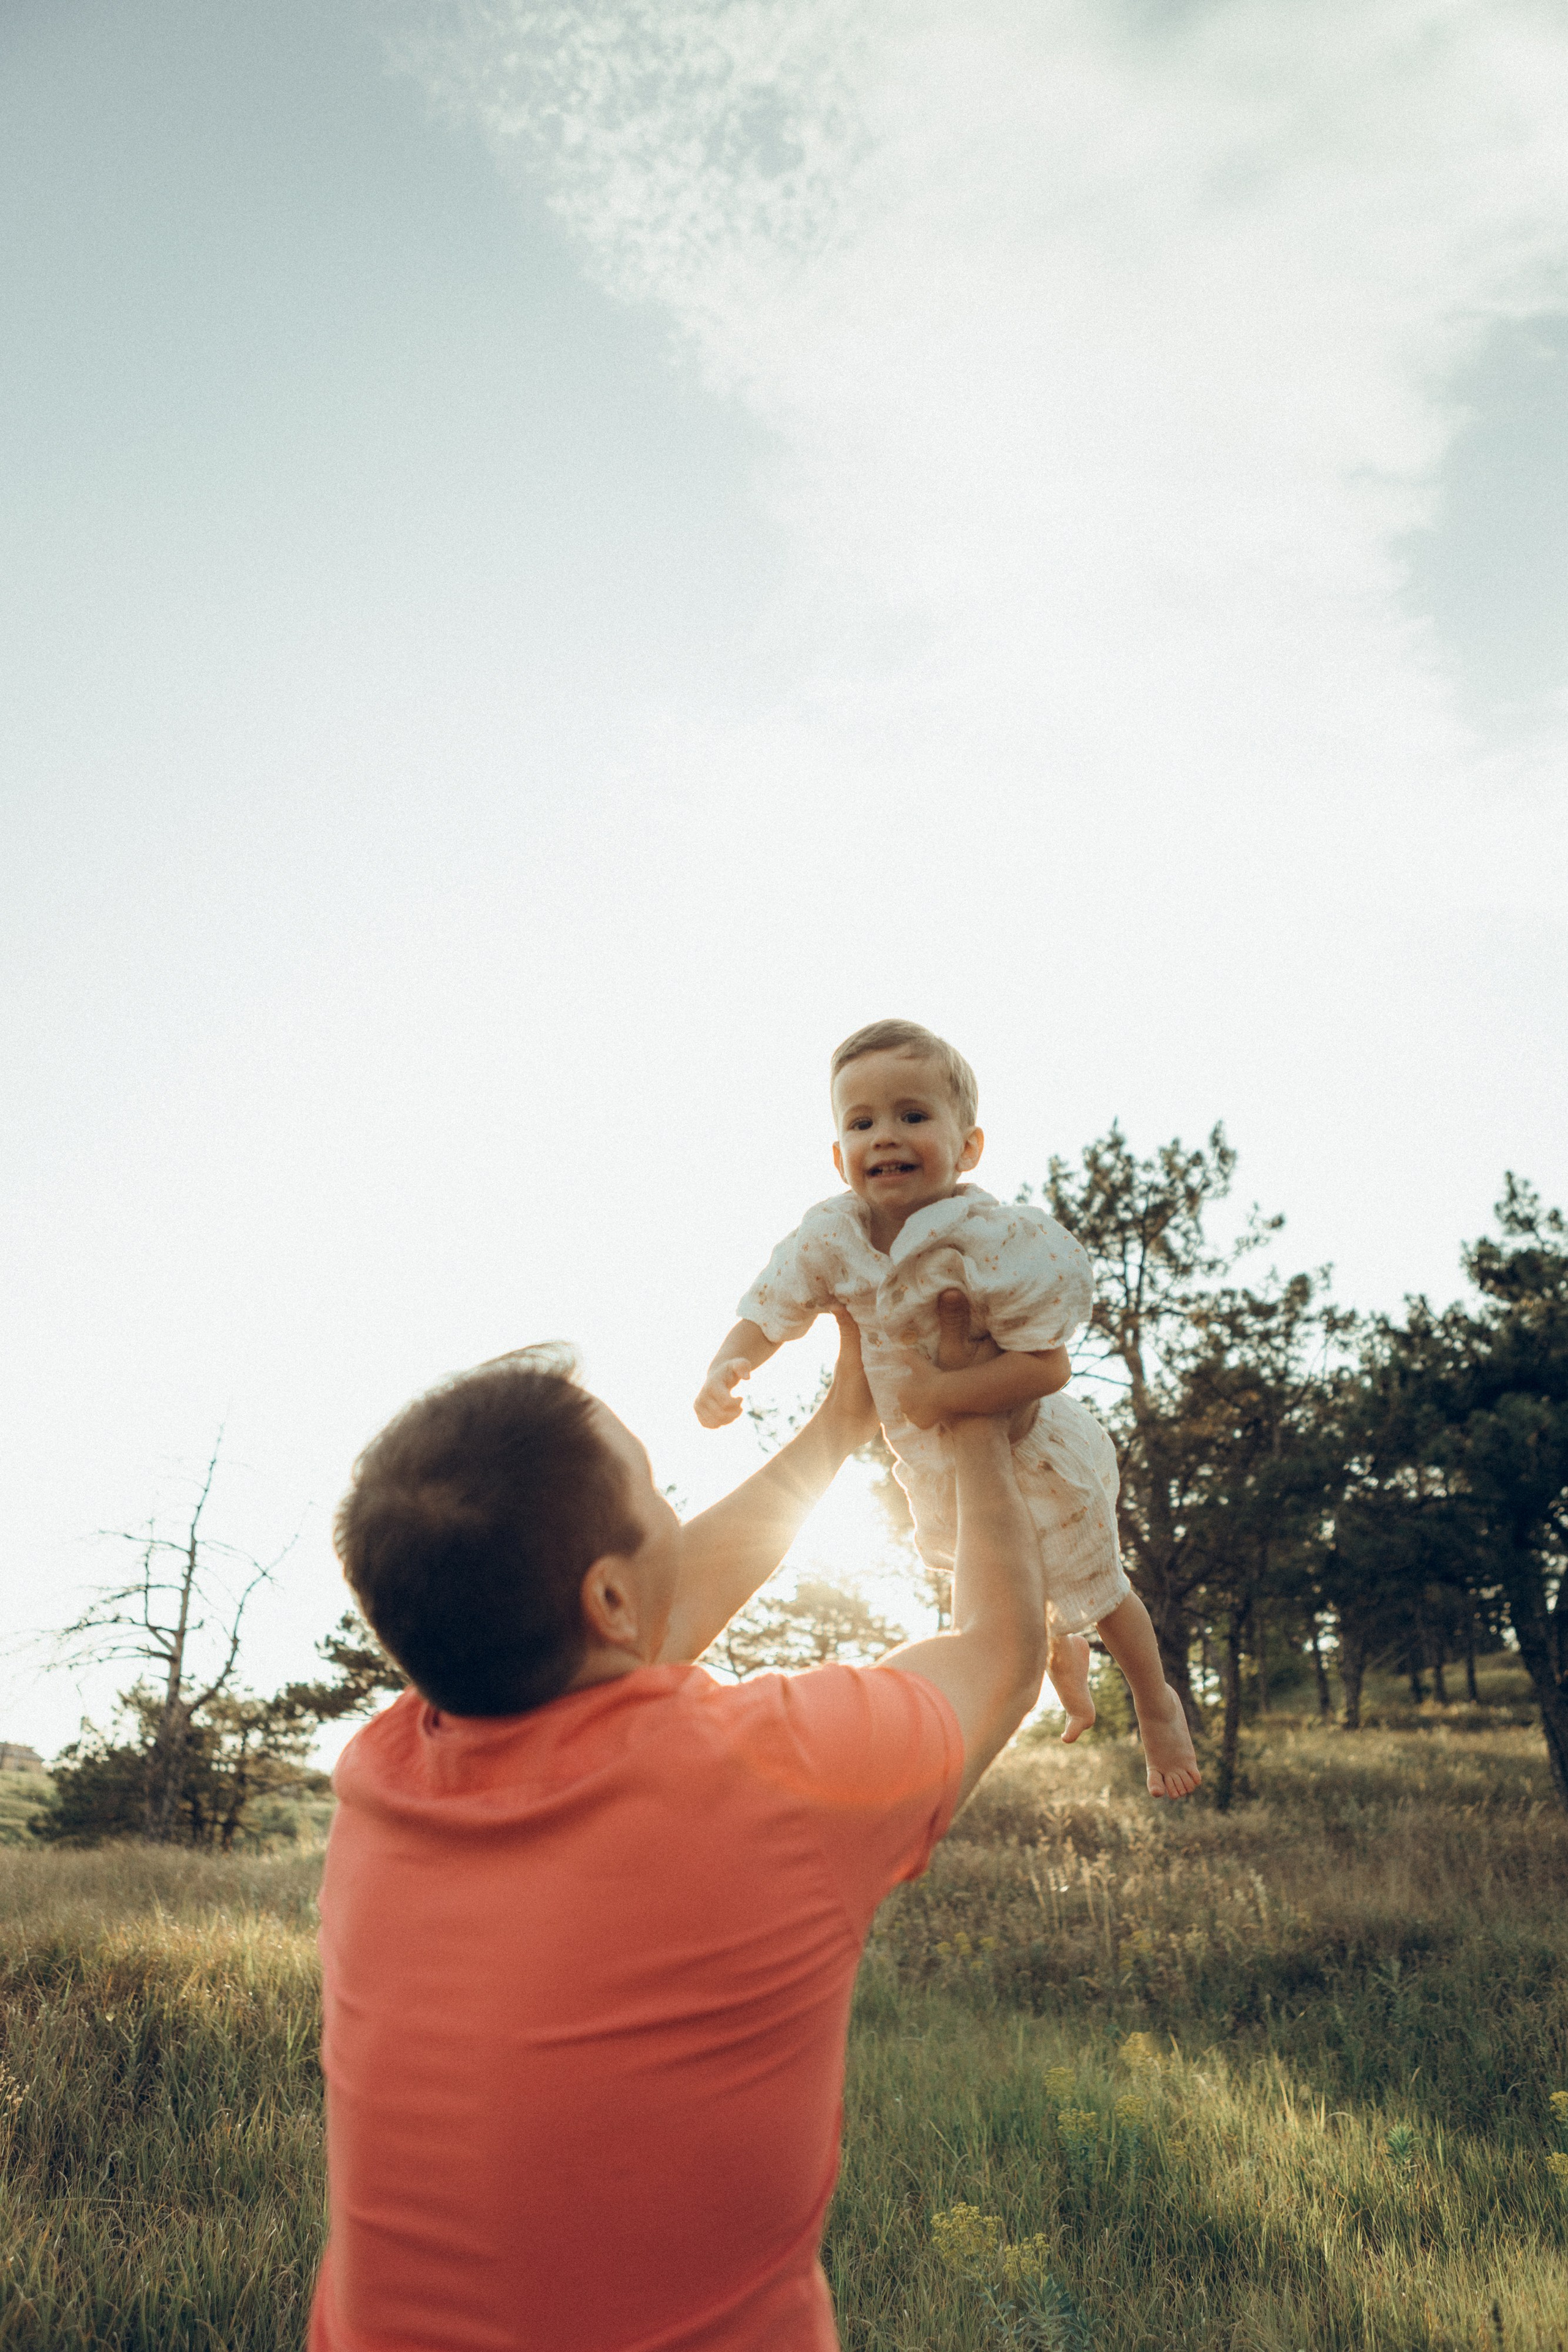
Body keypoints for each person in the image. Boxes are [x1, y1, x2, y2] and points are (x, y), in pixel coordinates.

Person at [310, 1297, 1047, 2352]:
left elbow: (639, 1622)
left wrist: (840, 1424)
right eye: (655, 1488)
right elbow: (1000, 1650)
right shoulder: (775, 1778)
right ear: (605, 1599)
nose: (672, 1513)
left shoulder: (381, 1778)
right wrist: (975, 1419)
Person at [695, 1017, 1200, 1801]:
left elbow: (1046, 1366)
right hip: (935, 1465)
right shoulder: (831, 1238)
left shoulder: (993, 1243)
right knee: (1006, 1595)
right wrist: (732, 1361)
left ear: (967, 1148)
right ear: (837, 1155)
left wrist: (939, 1394)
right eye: (861, 1123)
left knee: (1099, 1588)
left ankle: (1153, 1699)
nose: (884, 1136)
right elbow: (773, 1305)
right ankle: (1065, 1669)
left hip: (1028, 1447)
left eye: (912, 1115)